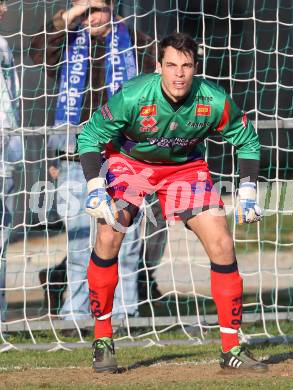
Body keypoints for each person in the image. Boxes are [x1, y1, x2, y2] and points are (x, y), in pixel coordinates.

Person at [78, 32, 268, 373]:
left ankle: (231, 348)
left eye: (186, 66)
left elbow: (248, 140)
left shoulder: (212, 100)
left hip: (184, 168)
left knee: (223, 243)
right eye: (171, 65)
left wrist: (249, 190)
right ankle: (103, 338)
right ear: (158, 66)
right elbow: (90, 135)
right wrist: (95, 185)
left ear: (195, 68)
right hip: (130, 163)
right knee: (109, 233)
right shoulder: (134, 95)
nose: (179, 74)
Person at [29, 0, 156, 324]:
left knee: (125, 241)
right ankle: (75, 313)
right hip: (74, 157)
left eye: (98, 9)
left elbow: (162, 71)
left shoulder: (133, 41)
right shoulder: (68, 41)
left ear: (113, 9)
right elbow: (37, 50)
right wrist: (74, 12)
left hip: (125, 156)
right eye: (85, 10)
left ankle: (126, 314)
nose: (92, 17)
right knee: (79, 240)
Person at [0, 0, 21, 322]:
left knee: (2, 239)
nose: (4, 9)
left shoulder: (4, 44)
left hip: (4, 155)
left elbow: (11, 102)